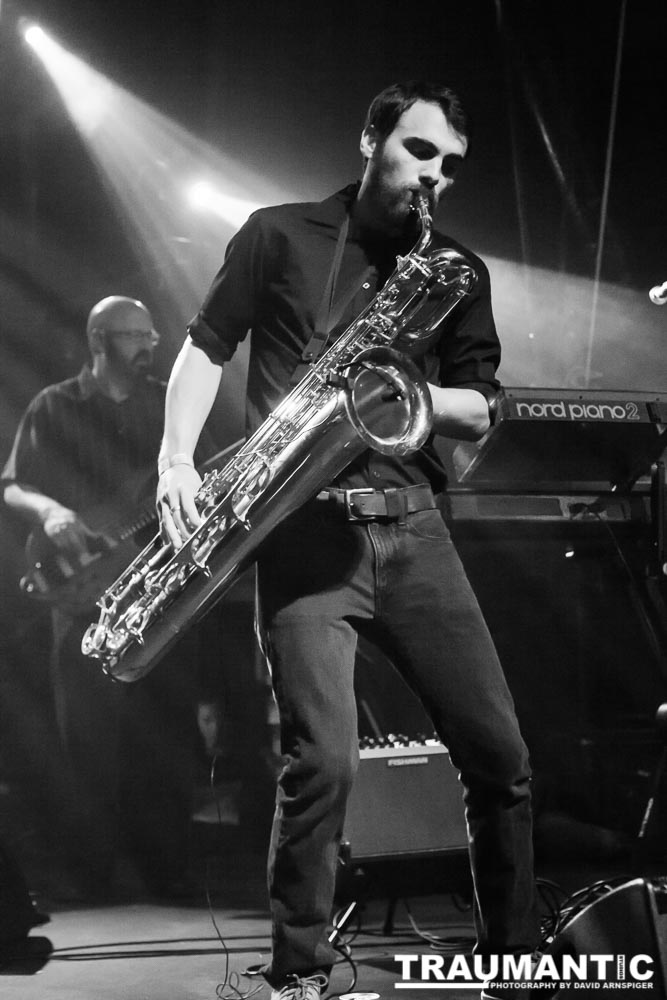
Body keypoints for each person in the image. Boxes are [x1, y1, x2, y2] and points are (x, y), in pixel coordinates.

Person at [157, 82, 540, 999]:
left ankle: (514, 967)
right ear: (371, 138)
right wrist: (174, 460)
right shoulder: (275, 234)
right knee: (322, 761)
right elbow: (206, 345)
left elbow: (482, 405)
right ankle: (299, 971)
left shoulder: (453, 269)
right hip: (299, 532)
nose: (434, 175)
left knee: (502, 760)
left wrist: (399, 390)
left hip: (412, 529)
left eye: (449, 165)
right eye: (418, 150)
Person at [2, 295, 198, 899]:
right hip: (79, 589)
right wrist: (51, 511)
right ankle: (91, 874)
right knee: (85, 736)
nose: (149, 345)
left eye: (150, 335)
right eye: (134, 335)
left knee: (163, 732)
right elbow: (12, 485)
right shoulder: (54, 404)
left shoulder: (165, 403)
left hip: (152, 588)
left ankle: (167, 871)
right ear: (98, 340)